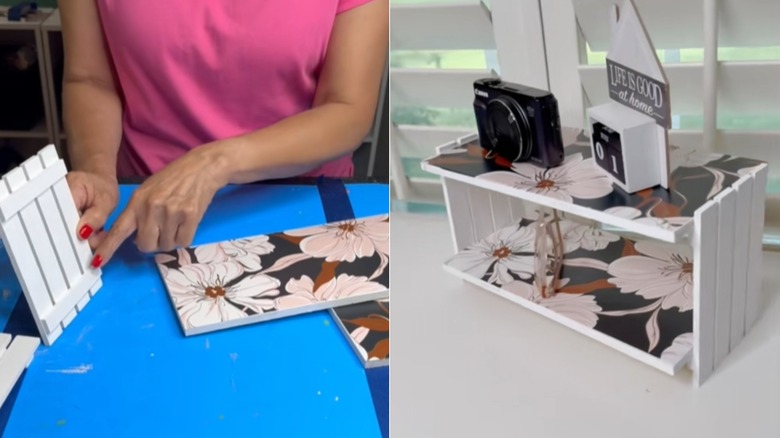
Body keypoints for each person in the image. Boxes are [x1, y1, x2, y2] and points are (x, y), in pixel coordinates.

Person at [60, 0, 388, 270]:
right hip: (140, 208)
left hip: (299, 203)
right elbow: (89, 79)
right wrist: (97, 169)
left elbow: (347, 109)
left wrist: (214, 163)